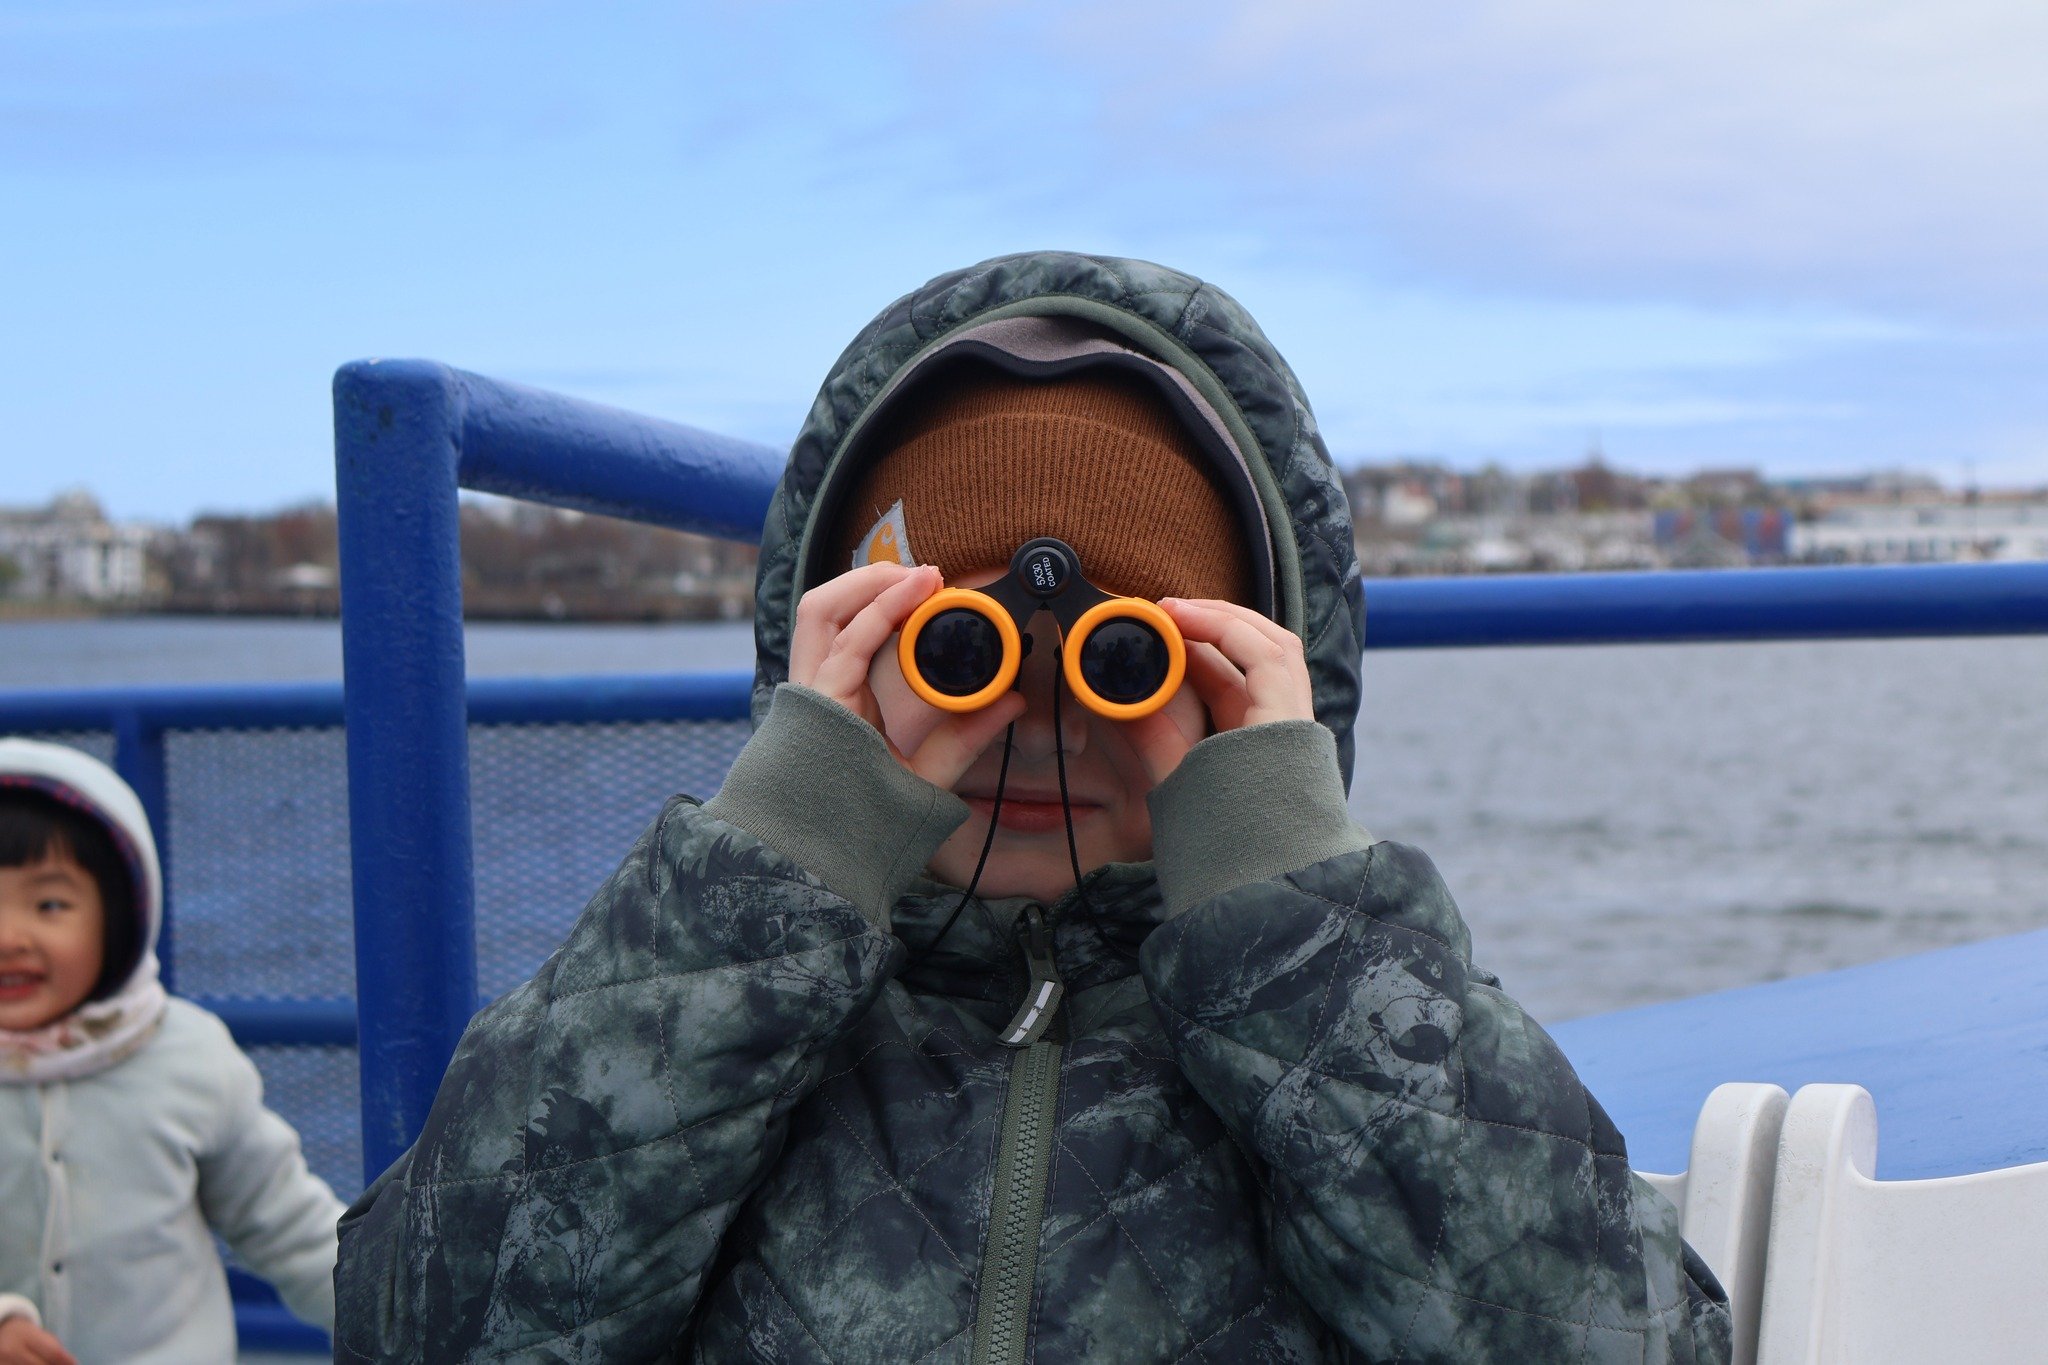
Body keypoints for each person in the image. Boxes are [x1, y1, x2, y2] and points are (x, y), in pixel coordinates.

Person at [335, 251, 1732, 1362]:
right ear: (825, 663)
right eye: (951, 652)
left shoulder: (1327, 1040)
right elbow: (427, 1330)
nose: (1030, 719)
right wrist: (778, 855)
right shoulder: (735, 1028)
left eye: (1128, 664)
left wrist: (1291, 914)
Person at [0, 738, 345, 1365]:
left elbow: (287, 1223)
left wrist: (403, 1320)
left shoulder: (187, 1055)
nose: (8, 937)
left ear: (120, 919)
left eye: (50, 904)